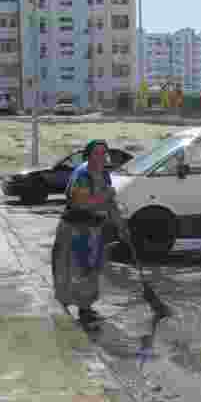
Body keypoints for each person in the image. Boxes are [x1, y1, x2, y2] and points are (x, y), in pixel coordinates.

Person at [51, 139, 125, 325]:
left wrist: (121, 225)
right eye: (96, 153)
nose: (101, 157)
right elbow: (80, 203)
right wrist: (106, 195)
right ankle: (74, 309)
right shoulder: (82, 175)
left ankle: (85, 307)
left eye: (104, 153)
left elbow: (110, 203)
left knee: (91, 269)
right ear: (88, 155)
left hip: (93, 228)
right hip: (75, 229)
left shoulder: (104, 174)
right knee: (77, 269)